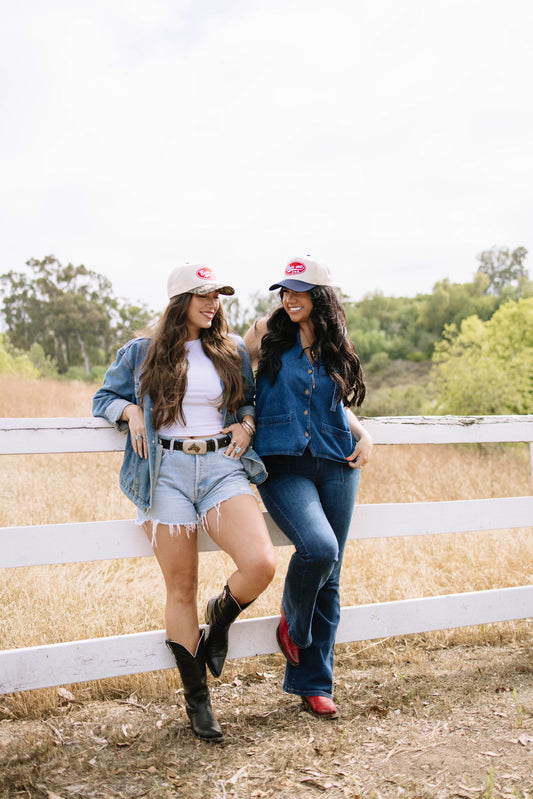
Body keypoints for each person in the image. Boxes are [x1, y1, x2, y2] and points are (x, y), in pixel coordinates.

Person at [93, 263, 276, 741]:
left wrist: (247, 422)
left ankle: (221, 617)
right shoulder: (142, 352)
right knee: (182, 586)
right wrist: (129, 409)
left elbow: (247, 400)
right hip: (165, 473)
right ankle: (198, 700)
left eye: (217, 296)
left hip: (221, 467)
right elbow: (103, 398)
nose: (213, 304)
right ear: (180, 301)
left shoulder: (231, 349)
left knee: (260, 563)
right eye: (203, 296)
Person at [244, 255, 373, 719]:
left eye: (299, 290)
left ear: (321, 295)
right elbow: (233, 382)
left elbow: (334, 402)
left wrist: (364, 433)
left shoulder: (336, 343)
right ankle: (292, 629)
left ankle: (315, 684)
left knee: (331, 578)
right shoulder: (266, 333)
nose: (289, 298)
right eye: (284, 290)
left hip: (338, 461)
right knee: (319, 549)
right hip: (283, 464)